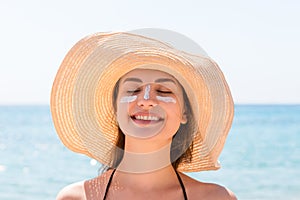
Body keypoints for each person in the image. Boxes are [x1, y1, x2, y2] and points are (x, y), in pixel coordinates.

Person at [51, 29, 237, 200]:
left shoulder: (215, 198)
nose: (146, 100)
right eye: (132, 90)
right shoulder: (77, 197)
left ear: (185, 113)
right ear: (115, 110)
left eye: (164, 91)